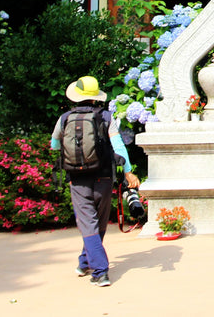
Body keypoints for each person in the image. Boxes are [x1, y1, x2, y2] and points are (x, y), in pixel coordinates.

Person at [51, 75, 140, 287]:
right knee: (98, 222)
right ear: (95, 97)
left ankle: (98, 270)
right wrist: (128, 172)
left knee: (88, 223)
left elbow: (54, 146)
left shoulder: (64, 119)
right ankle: (89, 265)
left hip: (77, 179)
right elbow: (119, 147)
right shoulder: (106, 117)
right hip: (104, 177)